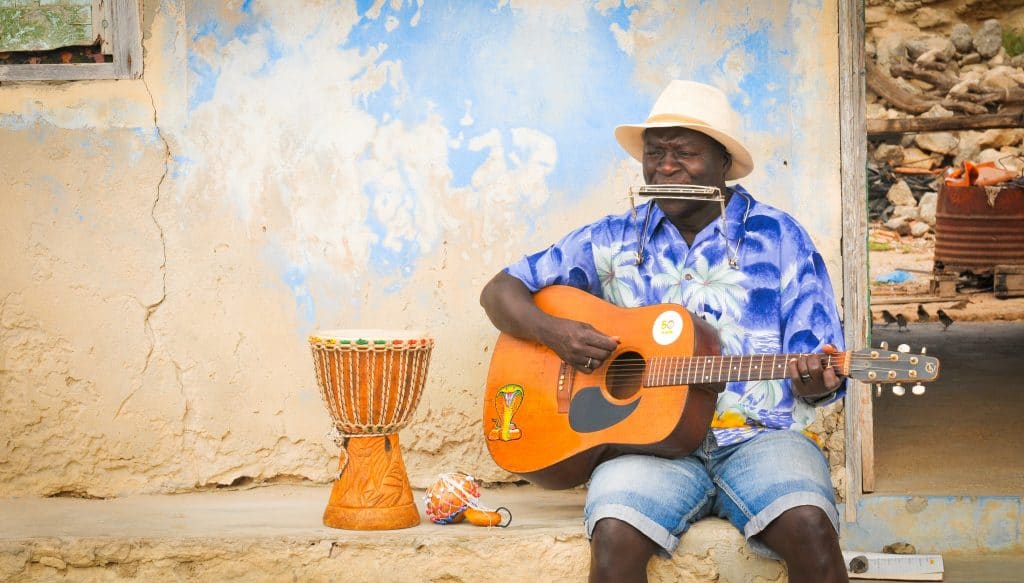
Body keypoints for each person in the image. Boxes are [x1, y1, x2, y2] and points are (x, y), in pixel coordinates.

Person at [479, 80, 849, 583]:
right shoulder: (612, 237)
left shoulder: (780, 238)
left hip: (762, 441)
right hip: (646, 450)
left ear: (723, 163)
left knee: (810, 527)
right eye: (655, 154)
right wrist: (555, 333)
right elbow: (500, 291)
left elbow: (821, 364)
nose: (666, 167)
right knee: (614, 535)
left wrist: (816, 379)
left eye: (684, 153)